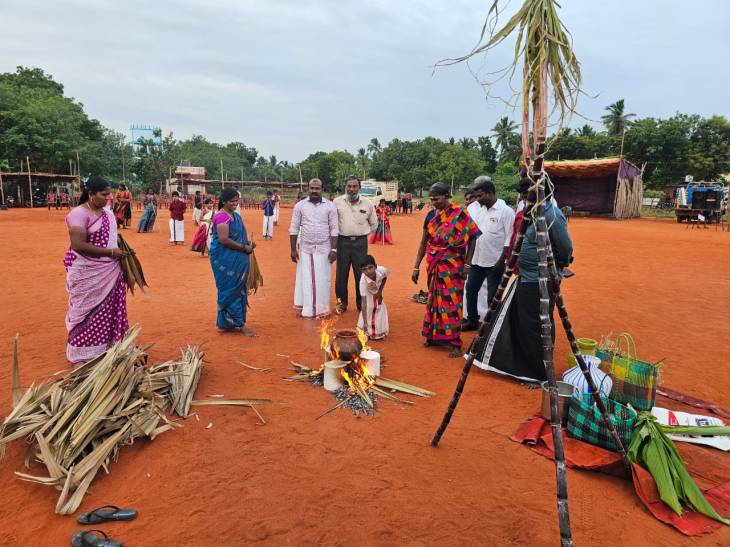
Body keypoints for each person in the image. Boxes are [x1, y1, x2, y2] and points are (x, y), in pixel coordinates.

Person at [472, 184, 573, 383]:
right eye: (524, 194)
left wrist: (557, 267)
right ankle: (525, 366)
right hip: (525, 277)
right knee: (524, 322)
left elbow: (565, 248)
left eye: (528, 193)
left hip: (539, 280)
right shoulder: (532, 212)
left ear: (542, 191)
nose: (525, 198)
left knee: (536, 324)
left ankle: (538, 372)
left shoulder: (551, 214)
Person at [63, 176, 130, 363]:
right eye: (104, 194)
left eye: (109, 194)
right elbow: (77, 245)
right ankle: (81, 353)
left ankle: (108, 347)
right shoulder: (78, 214)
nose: (109, 197)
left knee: (108, 310)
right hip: (86, 272)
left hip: (110, 270)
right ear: (91, 194)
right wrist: (111, 252)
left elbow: (111, 237)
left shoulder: (107, 213)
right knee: (85, 312)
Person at [411, 182, 480, 357]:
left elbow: (473, 238)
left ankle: (455, 342)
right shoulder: (430, 216)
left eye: (437, 199)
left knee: (452, 303)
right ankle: (433, 336)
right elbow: (423, 242)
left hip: (453, 266)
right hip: (434, 263)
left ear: (447, 196)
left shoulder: (460, 214)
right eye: (432, 199)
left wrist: (467, 265)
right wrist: (416, 266)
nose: (434, 202)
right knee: (434, 300)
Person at [462, 176, 515, 331]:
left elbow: (510, 238)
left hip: (495, 263)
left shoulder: (506, 211)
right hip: (477, 260)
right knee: (471, 290)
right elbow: (474, 236)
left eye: (480, 196)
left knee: (493, 297)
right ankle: (472, 321)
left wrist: (502, 261)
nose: (477, 200)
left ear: (490, 193)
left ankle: (492, 327)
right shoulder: (480, 211)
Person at [209, 188, 257, 335]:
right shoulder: (221, 217)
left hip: (237, 259)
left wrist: (248, 243)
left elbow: (237, 237)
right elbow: (224, 240)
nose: (235, 203)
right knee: (229, 289)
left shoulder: (235, 216)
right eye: (232, 201)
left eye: (237, 201)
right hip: (225, 260)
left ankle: (228, 322)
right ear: (224, 201)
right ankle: (240, 324)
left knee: (238, 289)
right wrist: (244, 247)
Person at [289, 178, 338, 318]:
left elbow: (334, 229)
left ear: (322, 189)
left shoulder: (330, 206)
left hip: (324, 248)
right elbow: (294, 228)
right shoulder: (300, 206)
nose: (314, 191)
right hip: (306, 248)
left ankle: (322, 309)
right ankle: (308, 309)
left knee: (324, 279)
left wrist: (334, 250)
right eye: (312, 188)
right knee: (306, 279)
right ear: (308, 189)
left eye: (317, 188)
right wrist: (293, 249)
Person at [333, 175, 378, 314]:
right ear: (345, 187)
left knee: (361, 274)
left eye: (355, 186)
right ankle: (341, 303)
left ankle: (361, 304)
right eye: (349, 186)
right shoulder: (337, 202)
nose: (352, 189)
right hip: (342, 242)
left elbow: (374, 224)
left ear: (359, 187)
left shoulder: (367, 204)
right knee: (341, 275)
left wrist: (362, 234)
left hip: (360, 244)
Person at [357, 255, 389, 340]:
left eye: (370, 268)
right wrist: (365, 323)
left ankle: (378, 331)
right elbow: (363, 303)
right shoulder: (363, 282)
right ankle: (366, 328)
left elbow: (385, 277)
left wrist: (380, 292)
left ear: (375, 266)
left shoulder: (382, 270)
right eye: (364, 269)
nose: (368, 271)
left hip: (377, 289)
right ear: (361, 271)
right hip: (368, 293)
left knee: (379, 306)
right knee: (370, 307)